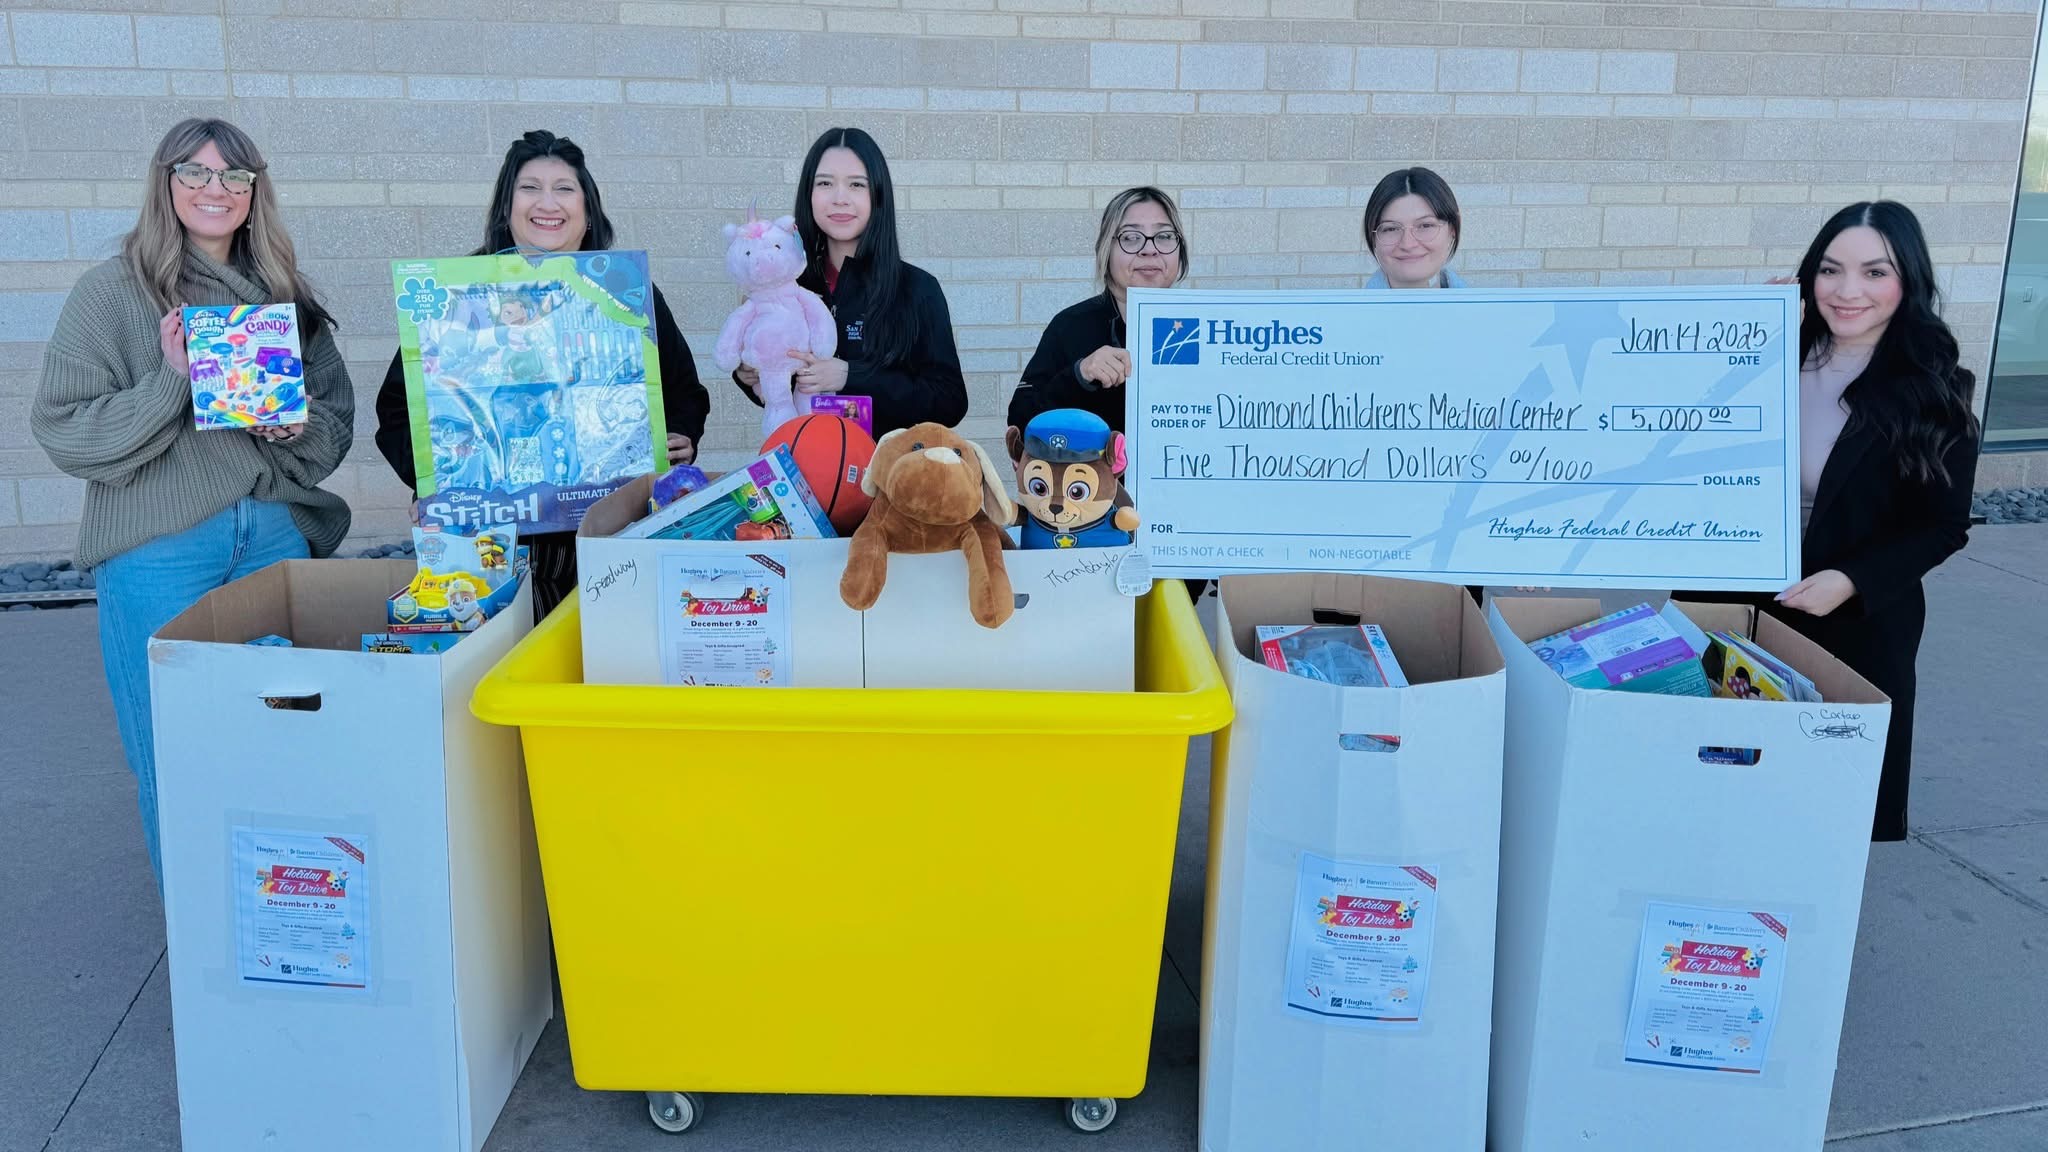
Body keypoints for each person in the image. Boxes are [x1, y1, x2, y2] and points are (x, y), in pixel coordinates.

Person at [32, 118, 355, 885]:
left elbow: (336, 422)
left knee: (283, 739)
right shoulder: (111, 293)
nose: (215, 190)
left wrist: (296, 424)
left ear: (254, 192)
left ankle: (281, 914)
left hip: (274, 536)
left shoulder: (283, 298)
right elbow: (65, 430)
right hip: (160, 547)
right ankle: (201, 936)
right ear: (165, 182)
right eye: (196, 173)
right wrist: (172, 380)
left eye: (234, 177)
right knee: (174, 747)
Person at [1703, 201, 1979, 842]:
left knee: (1825, 795)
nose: (1848, 291)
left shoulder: (1936, 387)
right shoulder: (1766, 358)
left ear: (1907, 279)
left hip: (1854, 616)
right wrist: (1744, 334)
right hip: (1733, 598)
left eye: (1874, 272)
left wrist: (1851, 579)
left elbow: (1943, 525)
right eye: (1830, 270)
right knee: (1722, 769)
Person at [372, 130, 710, 617]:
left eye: (564, 188)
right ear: (506, 208)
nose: (546, 203)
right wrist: (432, 477)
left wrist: (681, 434)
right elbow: (399, 407)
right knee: (497, 670)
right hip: (493, 539)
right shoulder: (457, 295)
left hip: (607, 530)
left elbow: (682, 389)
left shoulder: (625, 293)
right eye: (529, 188)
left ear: (588, 210)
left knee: (601, 662)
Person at [733, 126, 967, 437]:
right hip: (804, 472)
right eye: (825, 183)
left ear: (877, 195)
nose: (840, 198)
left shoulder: (916, 288)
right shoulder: (786, 287)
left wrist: (850, 376)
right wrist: (749, 375)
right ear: (809, 193)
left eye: (857, 184)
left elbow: (950, 400)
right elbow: (780, 392)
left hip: (887, 477)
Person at [1006, 186, 1189, 435]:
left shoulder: (1208, 328)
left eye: (1164, 236)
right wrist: (1079, 375)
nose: (1150, 249)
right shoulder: (1070, 326)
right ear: (1106, 249)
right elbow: (1019, 421)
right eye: (1130, 237)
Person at [1362, 167, 1466, 290]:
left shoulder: (1484, 308)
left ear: (1452, 229)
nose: (1407, 245)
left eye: (1425, 226)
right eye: (1391, 229)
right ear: (1373, 237)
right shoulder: (1348, 310)